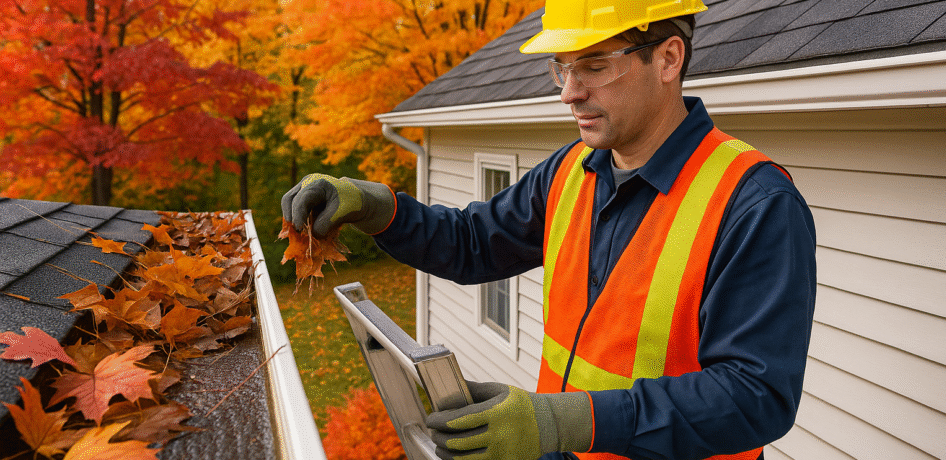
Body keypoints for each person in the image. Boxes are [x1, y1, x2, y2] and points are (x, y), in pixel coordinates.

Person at [282, 0, 817, 458]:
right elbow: (473, 245)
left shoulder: (755, 203)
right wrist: (381, 209)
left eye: (593, 65)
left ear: (668, 58)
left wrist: (559, 421)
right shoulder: (570, 172)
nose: (569, 92)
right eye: (562, 68)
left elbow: (755, 396)